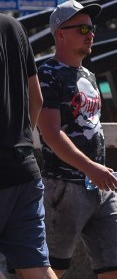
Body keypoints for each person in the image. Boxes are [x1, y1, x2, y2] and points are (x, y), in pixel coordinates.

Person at [37, 0, 117, 279]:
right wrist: (90, 167)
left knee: (113, 268)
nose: (91, 34)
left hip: (100, 186)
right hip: (64, 188)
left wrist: (97, 171)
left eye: (92, 28)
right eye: (83, 28)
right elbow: (50, 132)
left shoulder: (87, 74)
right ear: (61, 33)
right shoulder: (47, 74)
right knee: (50, 270)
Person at [0, 14, 58, 279]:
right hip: (23, 168)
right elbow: (37, 98)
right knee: (36, 268)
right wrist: (20, 140)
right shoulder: (13, 26)